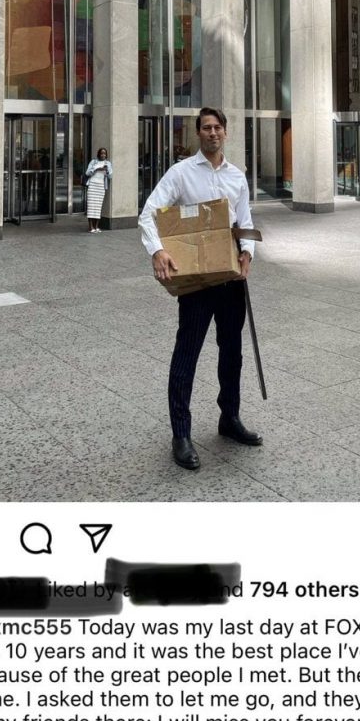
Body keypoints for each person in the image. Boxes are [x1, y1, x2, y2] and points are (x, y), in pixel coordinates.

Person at [139, 106, 263, 470]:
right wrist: (158, 250)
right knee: (187, 354)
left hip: (230, 280)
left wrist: (247, 252)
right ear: (199, 134)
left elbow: (245, 220)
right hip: (196, 283)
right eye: (206, 127)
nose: (212, 132)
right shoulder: (181, 173)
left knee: (232, 353)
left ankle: (230, 418)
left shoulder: (237, 177)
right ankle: (181, 434)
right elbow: (148, 213)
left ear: (225, 132)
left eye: (217, 127)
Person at [85, 147, 112, 233]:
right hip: (92, 185)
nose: (103, 155)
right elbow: (87, 173)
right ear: (99, 154)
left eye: (104, 153)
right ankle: (90, 227)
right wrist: (96, 169)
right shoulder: (93, 162)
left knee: (98, 207)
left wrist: (107, 171)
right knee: (91, 207)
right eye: (101, 153)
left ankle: (96, 227)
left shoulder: (108, 163)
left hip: (101, 186)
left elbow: (110, 176)